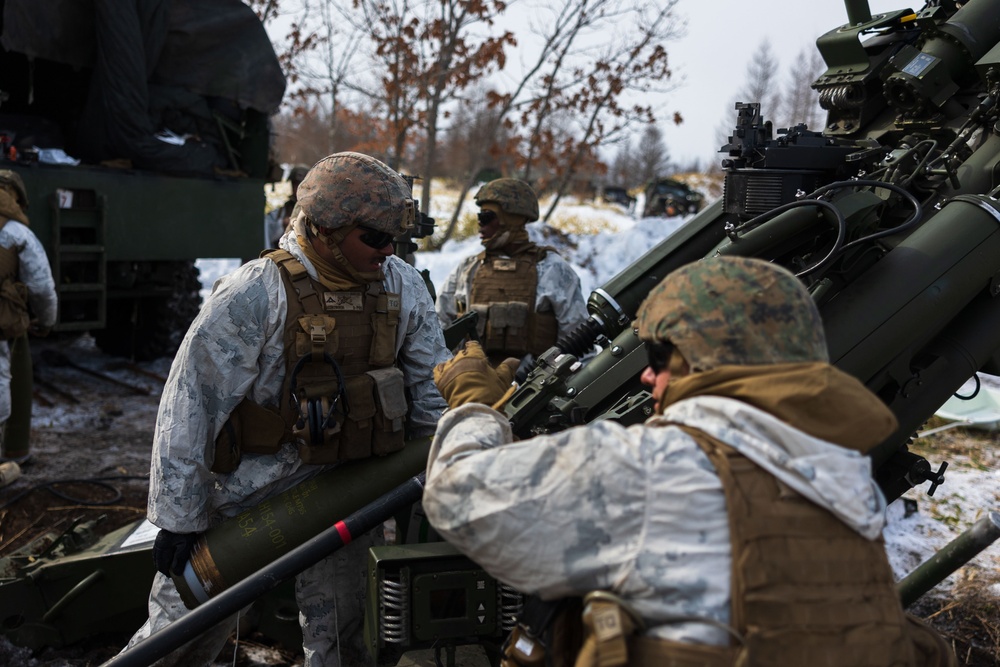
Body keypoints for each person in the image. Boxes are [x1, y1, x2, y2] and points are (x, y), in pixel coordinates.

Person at [423, 256, 955, 666]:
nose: (648, 378)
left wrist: (474, 404)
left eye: (659, 358)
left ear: (711, 360)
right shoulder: (839, 481)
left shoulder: (658, 468)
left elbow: (456, 495)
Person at [122, 152, 450, 667]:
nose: (388, 251)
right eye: (374, 238)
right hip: (248, 499)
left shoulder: (401, 286)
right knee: (177, 640)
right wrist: (179, 518)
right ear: (324, 230)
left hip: (348, 491)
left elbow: (431, 392)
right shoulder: (256, 291)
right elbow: (190, 403)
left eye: (395, 239)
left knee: (345, 643)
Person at [435, 178, 587, 362]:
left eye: (486, 216)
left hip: (531, 386)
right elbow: (439, 329)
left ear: (510, 219)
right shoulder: (469, 268)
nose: (480, 224)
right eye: (479, 216)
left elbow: (579, 343)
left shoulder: (552, 270)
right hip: (472, 387)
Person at [0, 170, 58, 464]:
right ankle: (13, 455)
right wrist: (46, 322)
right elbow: (42, 289)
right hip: (5, 329)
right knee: (10, 385)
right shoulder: (17, 233)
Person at [264, 163, 310, 248]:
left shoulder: (313, 209)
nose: (297, 188)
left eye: (301, 185)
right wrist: (282, 223)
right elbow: (267, 234)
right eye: (295, 184)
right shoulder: (282, 210)